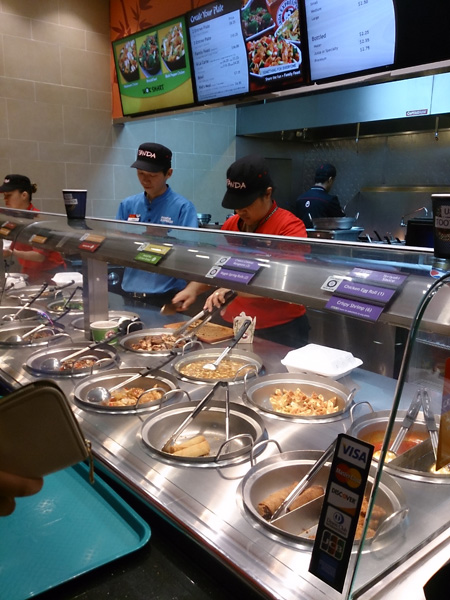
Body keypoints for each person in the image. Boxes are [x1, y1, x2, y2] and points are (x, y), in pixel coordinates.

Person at [172, 154, 310, 349]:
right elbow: (218, 268)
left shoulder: (289, 227)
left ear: (268, 193)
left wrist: (232, 288)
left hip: (279, 330)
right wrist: (192, 289)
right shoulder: (231, 225)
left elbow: (290, 282)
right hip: (233, 324)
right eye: (236, 205)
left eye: (246, 204)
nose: (239, 211)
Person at [115, 143, 198, 305]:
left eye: (152, 175)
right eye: (140, 173)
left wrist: (166, 238)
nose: (145, 180)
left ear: (169, 173)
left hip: (166, 296)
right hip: (129, 293)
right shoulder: (127, 205)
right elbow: (117, 245)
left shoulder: (183, 207)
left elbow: (190, 254)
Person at [1, 174, 66, 283]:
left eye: (9, 195)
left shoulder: (38, 220)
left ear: (24, 195)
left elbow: (39, 256)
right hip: (29, 270)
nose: (5, 199)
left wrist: (13, 252)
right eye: (4, 196)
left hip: (50, 273)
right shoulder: (12, 218)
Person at [292, 163, 345, 228]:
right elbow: (342, 222)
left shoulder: (300, 199)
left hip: (301, 234)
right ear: (330, 180)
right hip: (321, 234)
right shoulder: (330, 200)